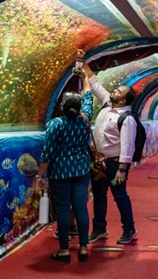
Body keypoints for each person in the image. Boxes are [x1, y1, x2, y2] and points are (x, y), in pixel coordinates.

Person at [35, 51, 93, 263]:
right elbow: (88, 96)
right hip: (81, 171)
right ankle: (85, 247)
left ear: (61, 107)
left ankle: (64, 250)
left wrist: (40, 176)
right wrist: (83, 77)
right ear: (78, 108)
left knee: (62, 208)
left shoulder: (55, 125)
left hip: (60, 173)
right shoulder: (85, 119)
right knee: (80, 208)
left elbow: (47, 153)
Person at [80, 50, 138, 245]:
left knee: (120, 196)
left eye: (118, 92)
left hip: (114, 164)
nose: (114, 91)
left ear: (123, 101)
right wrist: (82, 60)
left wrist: (122, 169)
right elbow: (94, 83)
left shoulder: (127, 118)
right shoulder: (106, 105)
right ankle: (99, 229)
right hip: (98, 161)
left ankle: (129, 229)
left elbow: (128, 145)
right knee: (98, 196)